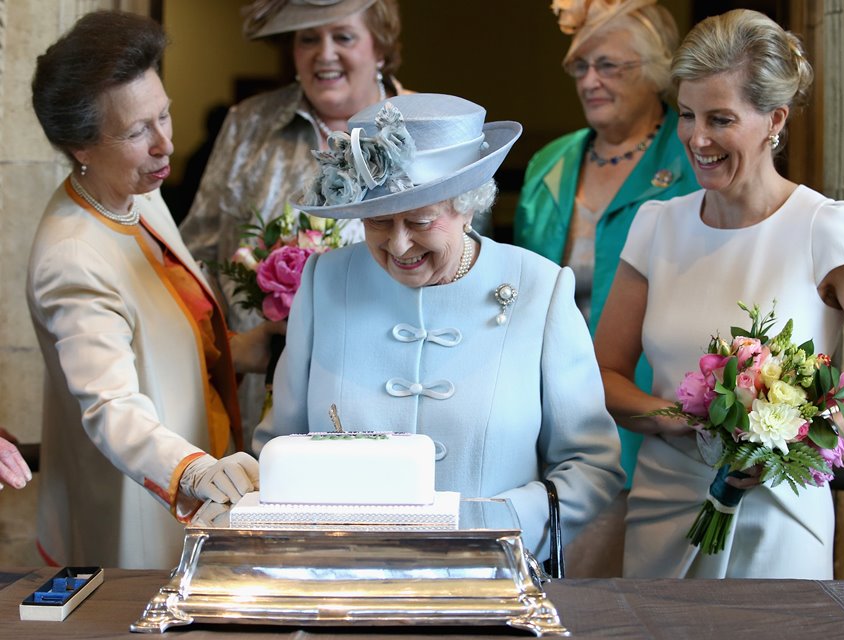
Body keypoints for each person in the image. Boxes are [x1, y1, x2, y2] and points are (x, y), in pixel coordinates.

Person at [595, 9, 844, 579]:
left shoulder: (823, 228)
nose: (698, 138)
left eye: (720, 119)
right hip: (663, 507)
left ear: (774, 120)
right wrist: (669, 416)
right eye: (687, 115)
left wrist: (800, 437)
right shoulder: (655, 225)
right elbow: (604, 374)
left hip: (778, 513)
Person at [253, 94, 626, 561]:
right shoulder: (325, 282)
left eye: (420, 221)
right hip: (345, 580)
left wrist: (499, 524)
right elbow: (281, 446)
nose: (399, 244)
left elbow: (592, 465)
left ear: (469, 206)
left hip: (489, 577)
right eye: (379, 222)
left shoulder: (540, 289)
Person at [27, 11, 281, 569]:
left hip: (203, 445)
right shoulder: (72, 255)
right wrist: (193, 471)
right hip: (137, 504)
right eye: (138, 130)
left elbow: (157, 338)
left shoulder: (136, 193)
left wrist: (245, 348)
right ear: (81, 147)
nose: (166, 143)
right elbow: (111, 404)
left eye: (163, 114)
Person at [178, 0, 406, 445]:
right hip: (259, 388)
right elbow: (197, 257)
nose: (324, 54)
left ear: (379, 46)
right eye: (308, 38)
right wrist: (227, 347)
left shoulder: (424, 126)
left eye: (343, 36)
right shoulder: (248, 125)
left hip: (383, 389)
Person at [514, 0, 698, 508]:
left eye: (609, 65)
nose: (590, 80)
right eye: (581, 66)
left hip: (650, 397)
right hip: (550, 397)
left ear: (657, 72)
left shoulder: (691, 163)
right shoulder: (550, 162)